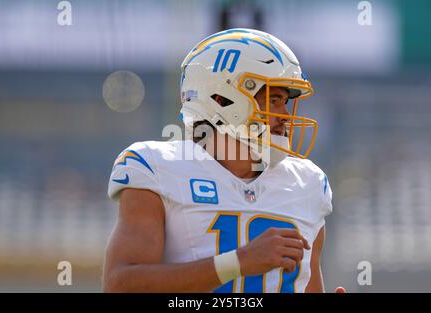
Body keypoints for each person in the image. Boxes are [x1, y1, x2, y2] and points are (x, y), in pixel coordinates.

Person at [103, 28, 340, 293]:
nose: (285, 115)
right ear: (221, 99)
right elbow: (121, 285)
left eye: (285, 102)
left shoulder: (306, 183)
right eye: (274, 100)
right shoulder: (156, 167)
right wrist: (237, 263)